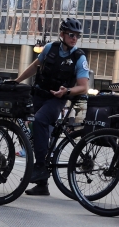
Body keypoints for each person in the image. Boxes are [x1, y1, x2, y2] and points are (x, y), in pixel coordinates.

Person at [13, 17, 90, 196]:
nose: (74, 38)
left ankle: (40, 167)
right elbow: (35, 66)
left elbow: (84, 86)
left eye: (77, 35)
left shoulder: (79, 57)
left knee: (40, 121)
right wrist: (17, 81)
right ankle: (42, 186)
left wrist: (67, 91)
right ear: (62, 34)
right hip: (39, 94)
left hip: (57, 99)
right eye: (71, 34)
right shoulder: (50, 48)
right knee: (36, 132)